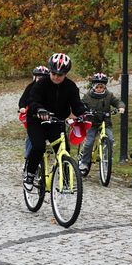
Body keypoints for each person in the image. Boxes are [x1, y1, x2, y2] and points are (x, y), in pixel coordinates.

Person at [23, 53, 87, 191]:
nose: (56, 77)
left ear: (66, 74)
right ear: (50, 71)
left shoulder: (70, 86)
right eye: (53, 73)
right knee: (38, 146)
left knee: (64, 150)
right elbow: (32, 100)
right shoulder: (41, 84)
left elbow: (76, 104)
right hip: (37, 120)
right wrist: (39, 109)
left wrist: (84, 113)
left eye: (61, 74)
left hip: (56, 121)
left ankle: (65, 180)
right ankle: (30, 174)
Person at [79, 72, 126, 175]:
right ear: (93, 86)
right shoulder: (88, 96)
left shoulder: (109, 95)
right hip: (92, 123)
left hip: (106, 122)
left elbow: (118, 102)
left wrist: (120, 107)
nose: (99, 89)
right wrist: (84, 111)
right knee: (89, 142)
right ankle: (84, 162)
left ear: (105, 87)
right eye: (97, 87)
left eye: (102, 86)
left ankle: (107, 156)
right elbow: (81, 105)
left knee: (110, 139)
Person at [18, 65, 49, 157]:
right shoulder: (30, 87)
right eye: (39, 78)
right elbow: (23, 100)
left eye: (44, 78)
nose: (41, 80)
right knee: (30, 137)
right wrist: (22, 107)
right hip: (33, 116)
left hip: (48, 115)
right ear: (34, 78)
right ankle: (28, 156)